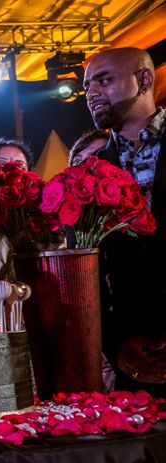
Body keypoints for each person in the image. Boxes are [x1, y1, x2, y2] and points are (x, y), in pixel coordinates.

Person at [84, 46, 166, 396]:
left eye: (103, 80)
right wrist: (116, 344)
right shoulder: (88, 172)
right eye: (87, 86)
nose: (92, 94)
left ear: (144, 79)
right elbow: (90, 268)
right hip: (137, 362)